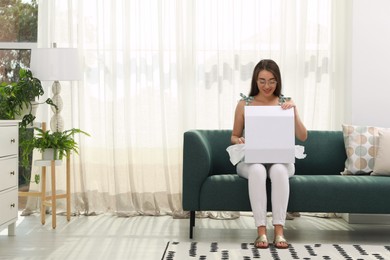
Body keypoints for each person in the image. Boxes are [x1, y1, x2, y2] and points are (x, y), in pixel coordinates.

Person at [231, 59, 307, 249]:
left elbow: (303, 136)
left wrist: (294, 111)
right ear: (255, 81)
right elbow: (234, 135)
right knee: (257, 170)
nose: (267, 86)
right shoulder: (244, 104)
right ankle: (261, 232)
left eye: (272, 81)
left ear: (278, 81)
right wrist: (239, 140)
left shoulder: (285, 103)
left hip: (280, 160)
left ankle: (279, 232)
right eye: (262, 80)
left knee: (279, 171)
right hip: (251, 160)